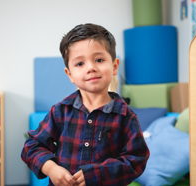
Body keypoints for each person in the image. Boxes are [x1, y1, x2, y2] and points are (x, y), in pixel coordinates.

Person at [21, 23, 149, 186]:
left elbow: (136, 160)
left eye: (99, 60)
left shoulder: (125, 116)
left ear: (114, 66)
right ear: (70, 74)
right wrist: (51, 168)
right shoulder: (60, 111)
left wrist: (98, 173)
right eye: (80, 63)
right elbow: (31, 146)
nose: (91, 68)